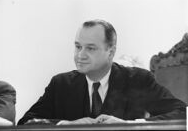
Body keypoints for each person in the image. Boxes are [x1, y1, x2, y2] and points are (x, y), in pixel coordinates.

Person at [18, 19, 186, 125]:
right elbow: (25, 122)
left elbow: (182, 114)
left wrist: (130, 125)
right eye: (78, 46)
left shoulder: (138, 79)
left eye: (90, 48)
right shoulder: (60, 84)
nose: (80, 55)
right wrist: (67, 125)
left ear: (111, 52)